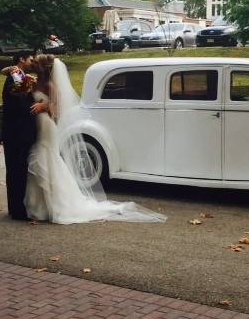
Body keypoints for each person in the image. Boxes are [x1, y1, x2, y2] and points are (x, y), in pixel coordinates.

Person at [24, 54, 166, 224]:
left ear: (44, 68)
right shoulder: (33, 81)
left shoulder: (49, 85)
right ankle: (38, 206)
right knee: (41, 159)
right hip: (36, 124)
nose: (33, 65)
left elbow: (58, 107)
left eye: (37, 63)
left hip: (46, 125)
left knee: (45, 158)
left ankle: (53, 205)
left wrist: (44, 106)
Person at [0, 51, 47, 221]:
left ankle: (16, 208)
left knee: (16, 170)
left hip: (16, 131)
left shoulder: (18, 75)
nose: (32, 62)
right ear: (21, 59)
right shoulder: (15, 76)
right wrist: (37, 108)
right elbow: (20, 105)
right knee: (16, 170)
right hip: (17, 132)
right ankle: (17, 210)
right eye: (30, 59)